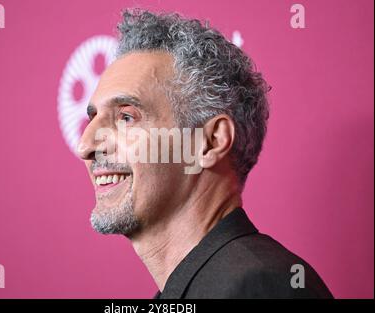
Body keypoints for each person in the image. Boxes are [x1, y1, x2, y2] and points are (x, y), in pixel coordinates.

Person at [77, 9, 333, 298]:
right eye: (93, 118)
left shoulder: (260, 287)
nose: (85, 146)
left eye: (126, 117)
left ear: (210, 142)